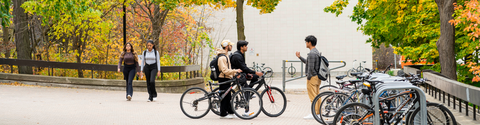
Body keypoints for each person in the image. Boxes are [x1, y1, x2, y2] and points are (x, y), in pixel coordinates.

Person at [230, 40, 263, 116]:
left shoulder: (240, 54)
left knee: (255, 77)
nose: (247, 47)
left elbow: (244, 68)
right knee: (247, 89)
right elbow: (244, 68)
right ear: (241, 47)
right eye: (245, 46)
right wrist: (255, 72)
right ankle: (246, 111)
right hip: (238, 76)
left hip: (242, 74)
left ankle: (250, 91)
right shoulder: (237, 56)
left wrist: (255, 73)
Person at [295, 35, 322, 119]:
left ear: (309, 43)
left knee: (313, 96)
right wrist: (300, 57)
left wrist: (308, 77)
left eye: (306, 42)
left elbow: (310, 68)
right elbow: (308, 62)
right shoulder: (316, 52)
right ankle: (318, 113)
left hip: (312, 78)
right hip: (318, 77)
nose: (306, 43)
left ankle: (314, 114)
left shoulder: (311, 53)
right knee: (317, 96)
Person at [217, 40, 242, 119]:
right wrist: (235, 71)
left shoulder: (226, 55)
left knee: (228, 96)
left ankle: (230, 111)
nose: (232, 47)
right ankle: (223, 114)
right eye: (230, 45)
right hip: (223, 78)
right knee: (224, 97)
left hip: (227, 77)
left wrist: (234, 74)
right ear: (227, 46)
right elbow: (224, 70)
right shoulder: (222, 57)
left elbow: (229, 68)